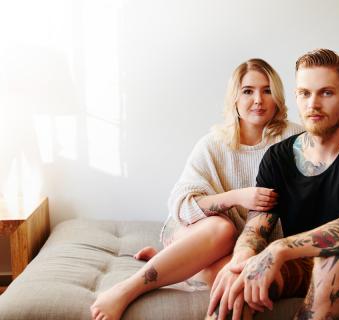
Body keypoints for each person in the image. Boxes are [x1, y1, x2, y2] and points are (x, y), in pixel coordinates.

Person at [90, 58, 304, 320]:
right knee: (222, 229)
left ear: (278, 97)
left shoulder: (296, 139)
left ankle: (182, 265)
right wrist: (237, 197)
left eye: (267, 90)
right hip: (195, 230)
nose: (258, 99)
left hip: (244, 247)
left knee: (237, 275)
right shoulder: (214, 143)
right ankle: (128, 288)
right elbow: (181, 207)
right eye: (248, 91)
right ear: (234, 98)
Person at [207, 49, 339, 320]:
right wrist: (242, 259)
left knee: (333, 261)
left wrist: (280, 248)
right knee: (238, 282)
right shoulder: (278, 157)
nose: (313, 104)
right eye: (304, 93)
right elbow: (256, 228)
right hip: (300, 264)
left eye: (326, 93)